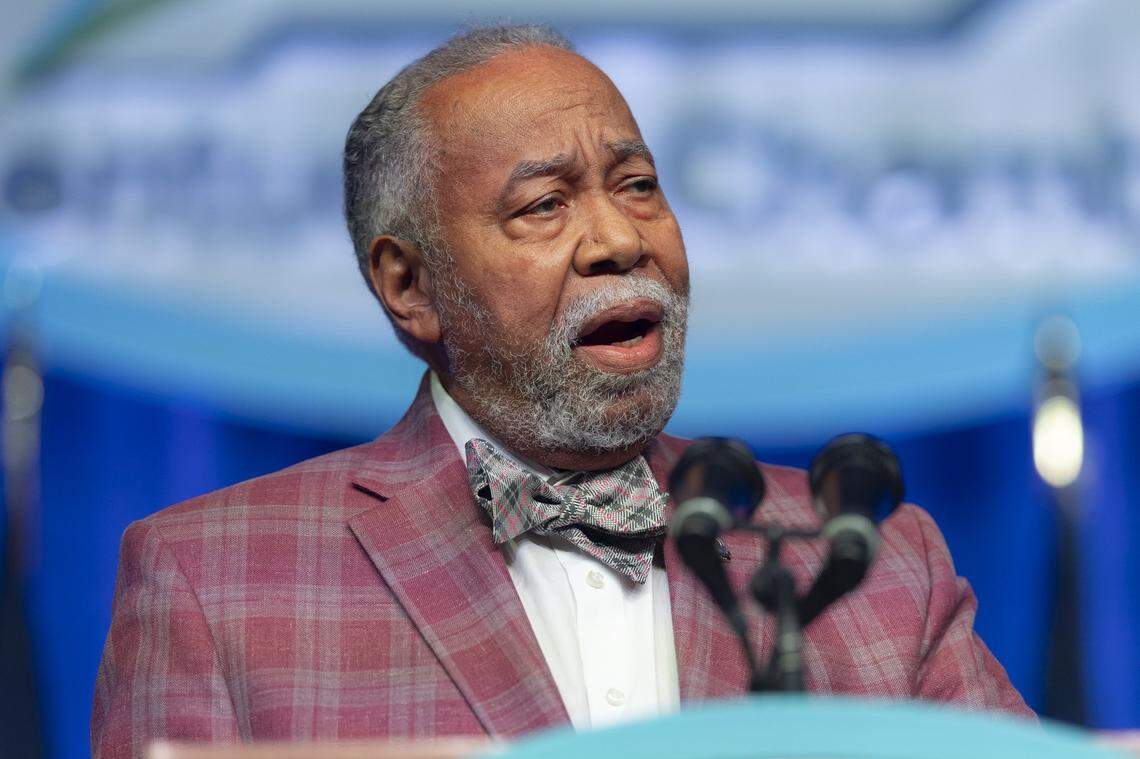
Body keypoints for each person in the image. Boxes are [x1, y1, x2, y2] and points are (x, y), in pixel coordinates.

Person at [91, 24, 1030, 758]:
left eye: (639, 185)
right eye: (544, 205)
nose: (620, 240)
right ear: (409, 286)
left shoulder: (867, 562)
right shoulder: (213, 580)